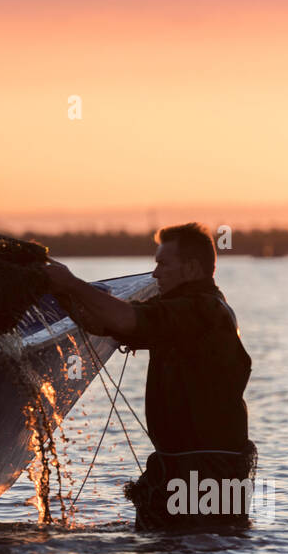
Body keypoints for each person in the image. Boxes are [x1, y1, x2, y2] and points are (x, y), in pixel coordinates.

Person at [43, 222, 258, 529]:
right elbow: (106, 322)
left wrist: (73, 284)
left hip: (208, 472)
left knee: (190, 548)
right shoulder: (180, 308)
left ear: (191, 268)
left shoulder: (202, 311)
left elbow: (127, 319)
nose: (155, 273)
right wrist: (61, 290)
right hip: (182, 468)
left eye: (162, 264)